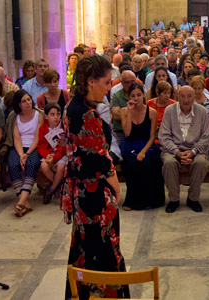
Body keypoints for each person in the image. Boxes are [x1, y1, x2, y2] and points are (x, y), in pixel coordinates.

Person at [61, 55, 129, 299]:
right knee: (104, 248)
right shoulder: (87, 115)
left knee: (85, 246)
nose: (109, 87)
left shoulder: (73, 106)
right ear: (90, 81)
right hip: (96, 195)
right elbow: (101, 159)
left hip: (81, 192)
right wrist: (117, 188)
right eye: (106, 82)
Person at [159, 86, 209, 213]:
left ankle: (193, 199)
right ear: (177, 97)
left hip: (196, 150)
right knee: (169, 163)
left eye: (189, 96)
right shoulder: (169, 110)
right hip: (173, 149)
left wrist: (193, 152)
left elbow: (206, 137)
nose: (186, 100)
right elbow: (164, 136)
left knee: (200, 163)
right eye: (182, 96)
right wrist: (177, 152)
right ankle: (174, 199)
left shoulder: (202, 111)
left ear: (194, 97)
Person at [118, 83, 164, 211]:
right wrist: (130, 112)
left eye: (139, 95)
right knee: (131, 164)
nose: (136, 98)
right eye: (133, 96)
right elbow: (127, 133)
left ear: (143, 95)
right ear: (129, 97)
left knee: (147, 162)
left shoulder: (152, 112)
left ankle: (149, 200)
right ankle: (132, 200)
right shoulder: (124, 111)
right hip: (130, 144)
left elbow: (152, 137)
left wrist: (143, 151)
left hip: (147, 145)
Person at [6, 90, 44, 216]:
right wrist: (21, 154)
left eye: (28, 99)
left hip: (34, 147)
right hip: (19, 147)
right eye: (24, 101)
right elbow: (16, 138)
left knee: (32, 164)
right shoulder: (14, 116)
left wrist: (27, 154)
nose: (28, 103)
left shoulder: (39, 115)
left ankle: (21, 201)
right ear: (19, 105)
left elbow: (38, 137)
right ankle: (24, 201)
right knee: (13, 164)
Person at [37, 103, 67, 204]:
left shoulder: (64, 127)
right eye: (52, 114)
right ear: (46, 116)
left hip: (61, 154)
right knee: (44, 166)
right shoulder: (43, 128)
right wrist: (47, 156)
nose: (56, 117)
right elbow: (41, 146)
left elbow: (64, 147)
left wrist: (55, 158)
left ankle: (51, 190)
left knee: (60, 167)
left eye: (58, 114)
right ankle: (59, 185)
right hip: (49, 154)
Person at [110, 70, 137, 142]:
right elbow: (116, 116)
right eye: (126, 82)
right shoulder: (117, 95)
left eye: (132, 81)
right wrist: (135, 114)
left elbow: (144, 113)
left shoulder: (139, 94)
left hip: (137, 131)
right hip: (120, 132)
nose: (130, 84)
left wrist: (123, 113)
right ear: (121, 83)